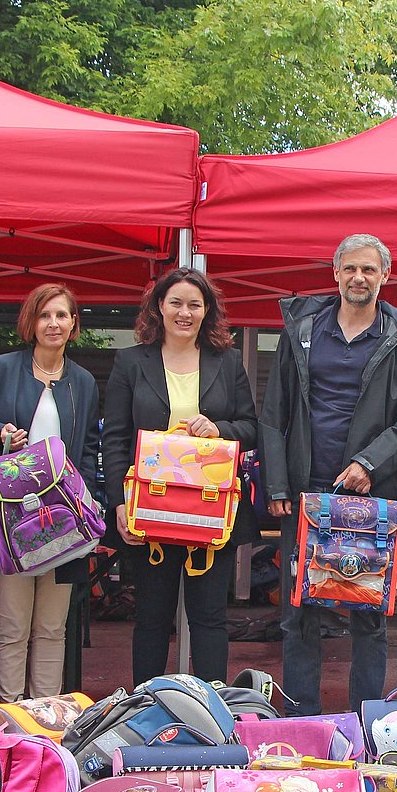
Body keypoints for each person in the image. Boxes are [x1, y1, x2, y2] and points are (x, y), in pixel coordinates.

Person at [260, 233, 397, 716]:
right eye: (351, 269)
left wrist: (370, 463)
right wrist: (277, 484)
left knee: (369, 613)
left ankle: (366, 723)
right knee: (298, 613)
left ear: (385, 276)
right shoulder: (302, 330)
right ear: (335, 273)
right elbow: (273, 414)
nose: (359, 278)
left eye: (369, 270)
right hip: (305, 493)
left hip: (369, 497)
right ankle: (302, 719)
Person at [102, 267, 258, 685]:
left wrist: (219, 428)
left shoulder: (227, 362)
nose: (184, 313)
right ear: (159, 306)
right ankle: (145, 707)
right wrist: (119, 503)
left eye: (194, 304)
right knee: (151, 618)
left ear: (207, 311)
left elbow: (250, 427)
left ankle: (211, 709)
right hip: (151, 509)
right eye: (176, 303)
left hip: (211, 512)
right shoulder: (131, 362)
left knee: (210, 617)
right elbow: (114, 438)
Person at [0, 283, 101, 701]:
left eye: (61, 315)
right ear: (31, 322)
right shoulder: (1, 368)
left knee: (53, 628)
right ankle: (10, 713)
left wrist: (92, 504)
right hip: (9, 519)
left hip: (64, 518)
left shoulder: (83, 382)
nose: (53, 324)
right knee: (13, 627)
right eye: (44, 315)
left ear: (74, 323)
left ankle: (47, 714)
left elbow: (89, 449)